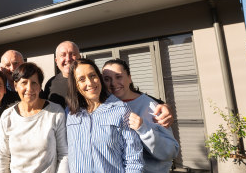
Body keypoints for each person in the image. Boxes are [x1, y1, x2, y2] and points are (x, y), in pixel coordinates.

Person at [66, 58, 144, 173]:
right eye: (82, 79)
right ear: (75, 86)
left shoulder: (120, 110)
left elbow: (134, 162)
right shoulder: (70, 114)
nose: (89, 83)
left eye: (93, 76)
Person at [102, 59, 179, 173]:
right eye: (107, 79)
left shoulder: (152, 106)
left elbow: (170, 151)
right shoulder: (103, 109)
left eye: (119, 77)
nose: (113, 83)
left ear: (129, 77)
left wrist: (144, 129)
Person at [43, 40, 173, 127]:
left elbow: (124, 91)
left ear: (80, 56)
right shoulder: (51, 84)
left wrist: (163, 105)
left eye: (72, 54)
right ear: (56, 60)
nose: (68, 59)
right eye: (63, 55)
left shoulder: (94, 80)